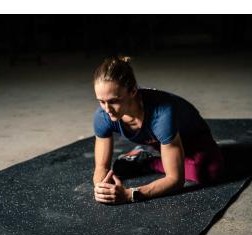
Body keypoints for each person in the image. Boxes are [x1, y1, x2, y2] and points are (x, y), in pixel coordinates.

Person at [92, 56, 224, 204]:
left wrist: (130, 194)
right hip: (160, 141)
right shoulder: (102, 115)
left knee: (211, 172)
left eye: (113, 101)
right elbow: (101, 168)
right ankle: (150, 153)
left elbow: (175, 180)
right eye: (101, 101)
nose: (107, 109)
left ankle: (148, 160)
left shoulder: (162, 114)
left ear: (133, 90)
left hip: (193, 138)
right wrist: (101, 188)